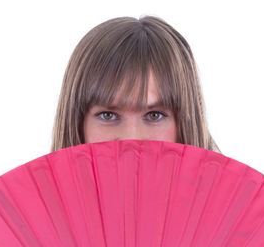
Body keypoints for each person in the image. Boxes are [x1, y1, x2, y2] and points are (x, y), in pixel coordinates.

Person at [50, 15, 221, 154]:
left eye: (154, 115)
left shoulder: (231, 196)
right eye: (108, 115)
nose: (131, 140)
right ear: (77, 125)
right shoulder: (37, 196)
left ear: (185, 125)